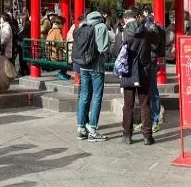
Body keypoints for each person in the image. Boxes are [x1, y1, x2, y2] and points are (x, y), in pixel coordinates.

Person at [119, 9, 155, 146]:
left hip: (128, 71)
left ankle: (127, 135)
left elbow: (116, 51)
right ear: (138, 17)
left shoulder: (123, 33)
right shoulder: (147, 31)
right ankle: (147, 136)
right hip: (144, 71)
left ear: (126, 19)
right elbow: (155, 46)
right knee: (145, 104)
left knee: (128, 105)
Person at [74, 9, 111, 142]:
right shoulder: (101, 27)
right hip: (96, 66)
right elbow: (103, 48)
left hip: (83, 65)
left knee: (84, 95)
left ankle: (81, 128)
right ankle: (93, 130)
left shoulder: (83, 25)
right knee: (96, 96)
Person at [142, 8, 166, 133]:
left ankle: (155, 119)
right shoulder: (147, 26)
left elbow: (153, 45)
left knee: (152, 91)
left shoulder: (150, 27)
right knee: (146, 92)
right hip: (146, 61)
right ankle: (147, 119)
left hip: (150, 61)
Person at [46, 16, 70, 80]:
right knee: (69, 58)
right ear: (60, 24)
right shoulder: (57, 31)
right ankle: (62, 72)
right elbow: (62, 43)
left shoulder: (51, 30)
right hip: (55, 55)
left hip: (49, 54)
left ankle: (63, 72)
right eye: (63, 24)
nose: (63, 26)